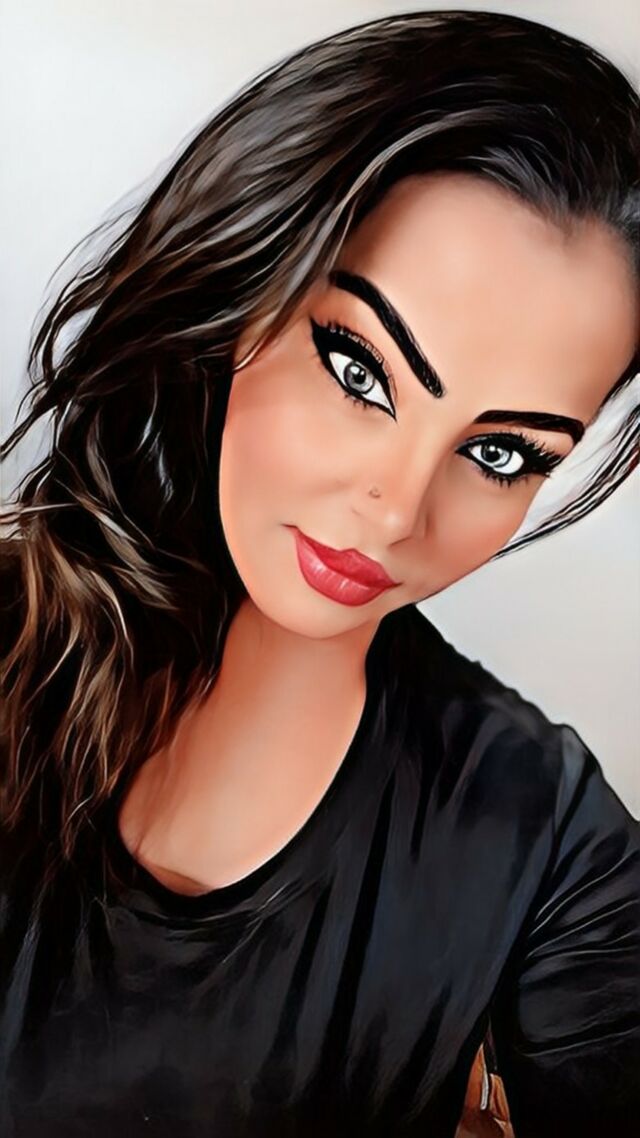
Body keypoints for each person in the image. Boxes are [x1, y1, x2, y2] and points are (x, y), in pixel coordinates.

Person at [1, 9, 638, 1137]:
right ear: (237, 292)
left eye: (501, 454)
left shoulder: (540, 836)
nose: (396, 509)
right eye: (359, 368)